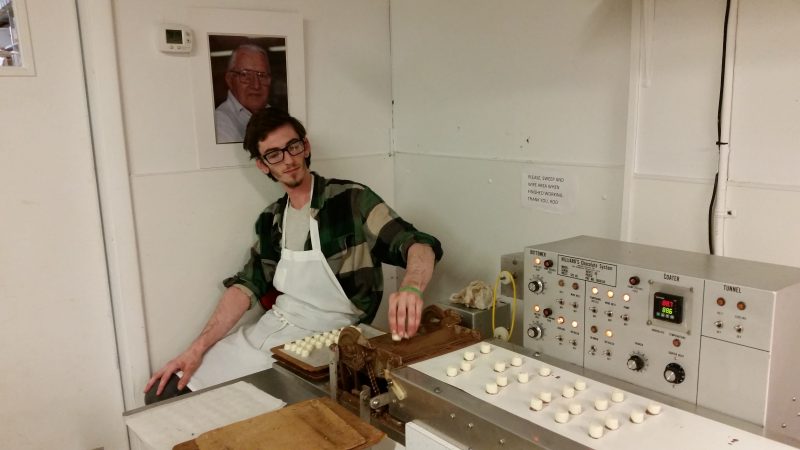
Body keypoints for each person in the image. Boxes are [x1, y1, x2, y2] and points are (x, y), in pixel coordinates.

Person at [145, 108, 443, 402]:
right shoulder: (271, 220)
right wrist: (195, 349)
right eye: (274, 154)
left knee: (267, 410)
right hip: (274, 329)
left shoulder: (351, 201)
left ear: (306, 146)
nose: (287, 160)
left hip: (333, 339)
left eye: (292, 147)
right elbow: (246, 286)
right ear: (263, 165)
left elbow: (417, 244)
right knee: (170, 392)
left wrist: (412, 286)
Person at [214, 44, 272, 143]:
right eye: (245, 75)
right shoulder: (219, 122)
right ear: (230, 79)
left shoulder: (275, 115)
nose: (256, 85)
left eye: (262, 75)